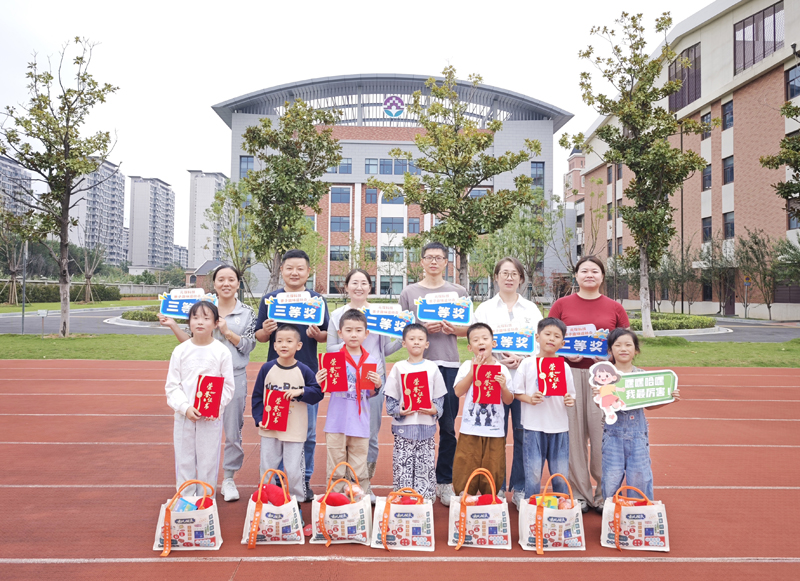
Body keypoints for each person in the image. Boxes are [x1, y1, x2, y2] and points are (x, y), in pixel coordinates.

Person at [159, 264, 256, 502]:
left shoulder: (242, 319)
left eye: (231, 279)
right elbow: (175, 380)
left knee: (221, 444)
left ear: (238, 283)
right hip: (188, 406)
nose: (226, 283)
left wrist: (227, 330)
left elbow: (247, 348)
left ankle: (218, 488)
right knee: (187, 453)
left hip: (224, 393)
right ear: (214, 283)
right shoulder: (188, 338)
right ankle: (187, 497)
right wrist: (184, 407)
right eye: (220, 279)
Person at [548, 255, 629, 514]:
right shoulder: (561, 305)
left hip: (603, 379)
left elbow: (625, 342)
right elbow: (548, 340)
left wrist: (610, 357)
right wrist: (563, 353)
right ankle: (580, 494)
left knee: (603, 435)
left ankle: (606, 492)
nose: (590, 275)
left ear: (602, 276)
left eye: (595, 271)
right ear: (576, 275)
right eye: (584, 271)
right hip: (569, 375)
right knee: (572, 436)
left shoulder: (614, 307)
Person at [255, 249, 329, 501]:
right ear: (282, 271)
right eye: (289, 268)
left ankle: (303, 480)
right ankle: (275, 483)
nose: (294, 273)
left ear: (308, 272)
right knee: (275, 429)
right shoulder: (270, 300)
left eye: (300, 268)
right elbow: (259, 336)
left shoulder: (316, 300)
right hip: (275, 374)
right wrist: (265, 330)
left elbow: (326, 334)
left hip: (306, 373)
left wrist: (318, 336)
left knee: (307, 432)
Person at [399, 241, 468, 506]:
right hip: (419, 366)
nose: (434, 262)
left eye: (439, 257)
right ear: (422, 261)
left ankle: (444, 481)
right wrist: (420, 328)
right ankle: (418, 480)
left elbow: (467, 328)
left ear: (446, 262)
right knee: (417, 423)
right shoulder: (409, 292)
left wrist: (453, 329)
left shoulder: (458, 291)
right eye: (429, 257)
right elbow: (403, 329)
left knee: (448, 426)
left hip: (449, 365)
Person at [474, 256, 543, 508]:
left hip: (525, 381)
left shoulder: (531, 310)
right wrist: (498, 360)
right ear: (496, 277)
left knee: (524, 435)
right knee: (496, 435)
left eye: (514, 273)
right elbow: (477, 341)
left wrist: (522, 356)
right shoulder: (484, 309)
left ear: (521, 278)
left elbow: (540, 343)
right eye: (504, 273)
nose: (509, 278)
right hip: (495, 380)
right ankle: (498, 487)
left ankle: (522, 488)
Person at [327, 269, 402, 492]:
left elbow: (385, 349)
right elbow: (330, 347)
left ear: (370, 287)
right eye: (354, 283)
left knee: (369, 435)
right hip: (346, 379)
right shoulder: (337, 314)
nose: (359, 287)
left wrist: (401, 337)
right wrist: (353, 343)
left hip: (373, 378)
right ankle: (341, 484)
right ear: (346, 286)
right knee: (342, 434)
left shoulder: (379, 313)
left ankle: (363, 483)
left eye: (364, 283)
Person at [596, 328, 681, 501]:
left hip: (638, 436)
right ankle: (612, 519)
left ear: (636, 350)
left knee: (640, 478)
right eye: (617, 345)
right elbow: (602, 405)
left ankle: (638, 520)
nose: (623, 349)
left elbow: (649, 406)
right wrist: (598, 395)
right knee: (611, 479)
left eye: (628, 345)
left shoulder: (642, 376)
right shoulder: (603, 376)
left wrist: (668, 399)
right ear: (610, 350)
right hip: (612, 436)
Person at [164, 301, 234, 496]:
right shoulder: (180, 350)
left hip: (210, 418)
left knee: (208, 459)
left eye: (206, 318)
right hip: (184, 416)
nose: (200, 322)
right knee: (184, 458)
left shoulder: (221, 351)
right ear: (189, 322)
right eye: (195, 318)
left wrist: (215, 408)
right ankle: (186, 498)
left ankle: (205, 499)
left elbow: (228, 386)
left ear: (216, 323)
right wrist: (184, 407)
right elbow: (172, 385)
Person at [251, 324, 323, 501]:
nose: (284, 345)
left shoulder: (304, 370)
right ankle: (266, 499)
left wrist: (301, 392)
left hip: (294, 429)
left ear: (298, 346)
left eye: (289, 341)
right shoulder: (267, 369)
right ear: (274, 346)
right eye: (280, 341)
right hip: (270, 428)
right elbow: (258, 396)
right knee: (267, 465)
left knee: (293, 467)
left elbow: (317, 393)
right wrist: (259, 418)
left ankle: (296, 501)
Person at [316, 309, 383, 498]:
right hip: (336, 422)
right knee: (336, 467)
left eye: (358, 330)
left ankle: (357, 502)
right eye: (349, 330)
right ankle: (336, 501)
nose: (354, 334)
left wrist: (377, 385)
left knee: (358, 468)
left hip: (360, 423)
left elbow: (370, 393)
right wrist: (320, 380)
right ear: (340, 333)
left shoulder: (371, 360)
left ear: (366, 333)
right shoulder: (332, 359)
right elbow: (326, 387)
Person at [512, 318, 576, 510]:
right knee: (532, 473)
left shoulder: (564, 366)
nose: (551, 339)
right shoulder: (527, 364)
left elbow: (571, 395)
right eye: (547, 334)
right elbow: (517, 392)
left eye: (557, 336)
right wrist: (529, 399)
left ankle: (562, 510)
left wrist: (570, 400)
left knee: (560, 473)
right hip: (533, 427)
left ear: (563, 343)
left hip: (559, 427)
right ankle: (531, 510)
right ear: (537, 337)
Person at [383, 324, 448, 499]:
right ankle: (403, 499)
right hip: (404, 429)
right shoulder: (398, 367)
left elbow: (439, 397)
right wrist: (399, 410)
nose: (416, 343)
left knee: (425, 466)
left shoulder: (432, 367)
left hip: (426, 428)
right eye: (412, 339)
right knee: (402, 465)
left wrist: (434, 409)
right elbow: (391, 398)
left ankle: (424, 502)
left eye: (420, 339)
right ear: (404, 343)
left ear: (427, 344)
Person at [451, 322, 514, 497]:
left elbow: (509, 400)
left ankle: (491, 497)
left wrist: (503, 387)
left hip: (494, 429)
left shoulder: (502, 369)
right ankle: (464, 497)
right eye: (476, 340)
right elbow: (457, 392)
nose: (481, 342)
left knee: (493, 464)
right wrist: (473, 372)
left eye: (485, 338)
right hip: (470, 427)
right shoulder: (466, 366)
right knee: (466, 463)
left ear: (493, 343)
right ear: (470, 347)